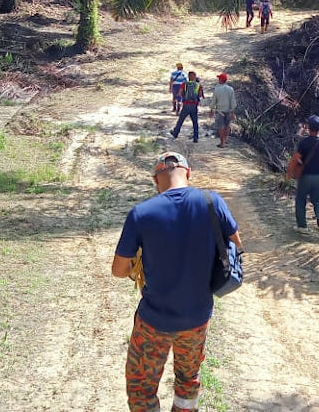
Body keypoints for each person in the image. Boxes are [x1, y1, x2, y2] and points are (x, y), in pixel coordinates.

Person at [113, 152, 243, 412]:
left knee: (141, 385)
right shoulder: (212, 202)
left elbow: (118, 270)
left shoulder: (141, 214)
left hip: (154, 321)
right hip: (196, 319)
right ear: (188, 173)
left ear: (155, 180)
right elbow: (236, 244)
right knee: (188, 380)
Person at [287, 115, 319, 242]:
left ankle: (302, 227)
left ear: (308, 127)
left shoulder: (304, 142)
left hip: (305, 177)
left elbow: (295, 159)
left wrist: (289, 175)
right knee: (318, 201)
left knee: (301, 200)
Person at [170, 71, 204, 143]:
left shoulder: (184, 84)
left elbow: (179, 93)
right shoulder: (198, 85)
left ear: (188, 77)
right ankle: (195, 137)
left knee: (180, 120)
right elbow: (200, 95)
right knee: (195, 122)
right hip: (194, 105)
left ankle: (175, 133)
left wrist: (183, 96)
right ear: (195, 76)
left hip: (186, 105)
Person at [210, 73, 236, 148]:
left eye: (219, 79)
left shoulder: (217, 89)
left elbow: (214, 101)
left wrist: (211, 109)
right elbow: (232, 101)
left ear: (220, 80)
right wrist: (233, 112)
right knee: (227, 126)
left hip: (220, 111)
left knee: (221, 127)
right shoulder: (231, 89)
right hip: (228, 111)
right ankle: (225, 140)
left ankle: (222, 143)